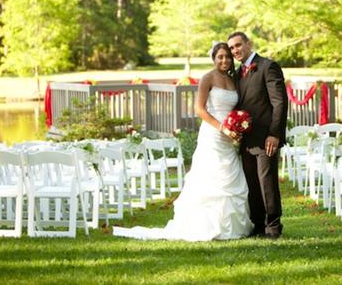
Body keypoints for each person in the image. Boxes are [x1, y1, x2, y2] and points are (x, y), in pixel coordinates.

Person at [113, 42, 253, 241]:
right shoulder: (208, 78)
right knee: (212, 176)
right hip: (213, 135)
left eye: (227, 57)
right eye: (220, 57)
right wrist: (222, 127)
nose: (224, 60)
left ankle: (232, 227)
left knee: (231, 175)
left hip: (229, 137)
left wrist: (236, 127)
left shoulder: (233, 79)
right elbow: (200, 109)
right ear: (213, 59)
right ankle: (207, 226)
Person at [227, 31, 288, 239]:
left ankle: (273, 226)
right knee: (252, 183)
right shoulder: (236, 74)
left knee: (267, 182)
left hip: (266, 138)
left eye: (238, 45)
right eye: (232, 48)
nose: (235, 50)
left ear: (248, 43)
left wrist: (274, 134)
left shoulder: (267, 67)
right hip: (246, 139)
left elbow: (279, 102)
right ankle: (259, 225)